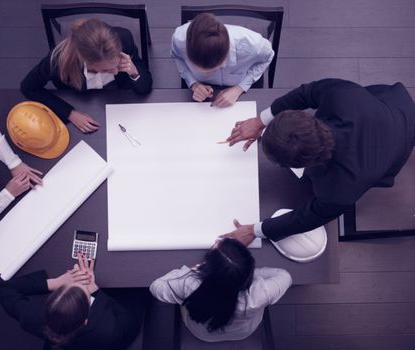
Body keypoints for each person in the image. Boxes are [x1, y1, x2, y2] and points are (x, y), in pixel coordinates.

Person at [223, 78, 415, 244]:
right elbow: (306, 92)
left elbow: (306, 218)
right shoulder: (342, 96)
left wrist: (254, 231)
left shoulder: (340, 190)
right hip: (385, 108)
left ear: (299, 165)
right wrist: (260, 121)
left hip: (400, 132)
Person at [21, 18, 153, 134]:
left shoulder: (124, 38)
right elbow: (28, 87)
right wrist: (69, 113)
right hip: (80, 100)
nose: (115, 72)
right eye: (106, 70)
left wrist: (134, 72)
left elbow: (145, 87)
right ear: (86, 61)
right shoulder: (57, 62)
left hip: (120, 99)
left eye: (117, 63)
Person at [150, 238, 291, 342]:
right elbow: (284, 276)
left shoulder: (187, 284)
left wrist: (187, 271)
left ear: (207, 268)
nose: (217, 240)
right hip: (244, 331)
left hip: (202, 333)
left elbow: (156, 287)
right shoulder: (261, 293)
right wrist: (247, 274)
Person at [0, 254, 147, 350]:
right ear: (85, 321)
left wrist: (54, 282)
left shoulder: (31, 316)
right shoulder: (108, 332)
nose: (80, 282)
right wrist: (95, 289)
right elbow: (131, 322)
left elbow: (4, 289)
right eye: (84, 290)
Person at [171, 13, 274, 107]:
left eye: (213, 69)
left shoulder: (254, 45)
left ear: (227, 54)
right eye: (198, 69)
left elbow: (268, 57)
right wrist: (193, 83)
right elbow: (177, 56)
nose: (207, 75)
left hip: (245, 89)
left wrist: (239, 88)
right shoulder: (179, 39)